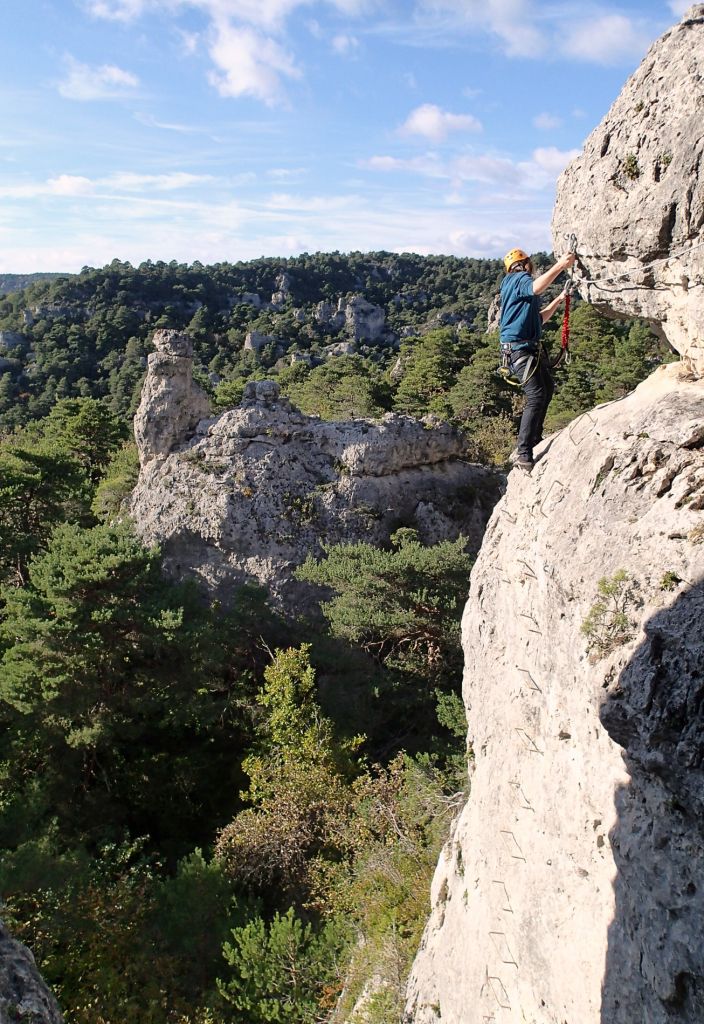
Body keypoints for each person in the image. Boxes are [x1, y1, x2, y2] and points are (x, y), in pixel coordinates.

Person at [499, 247, 576, 473]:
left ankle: (534, 438)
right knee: (536, 394)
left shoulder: (517, 291)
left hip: (524, 348)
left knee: (547, 387)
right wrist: (562, 265)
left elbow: (540, 319)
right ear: (525, 264)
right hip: (520, 349)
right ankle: (524, 451)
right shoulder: (517, 279)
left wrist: (559, 300)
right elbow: (535, 286)